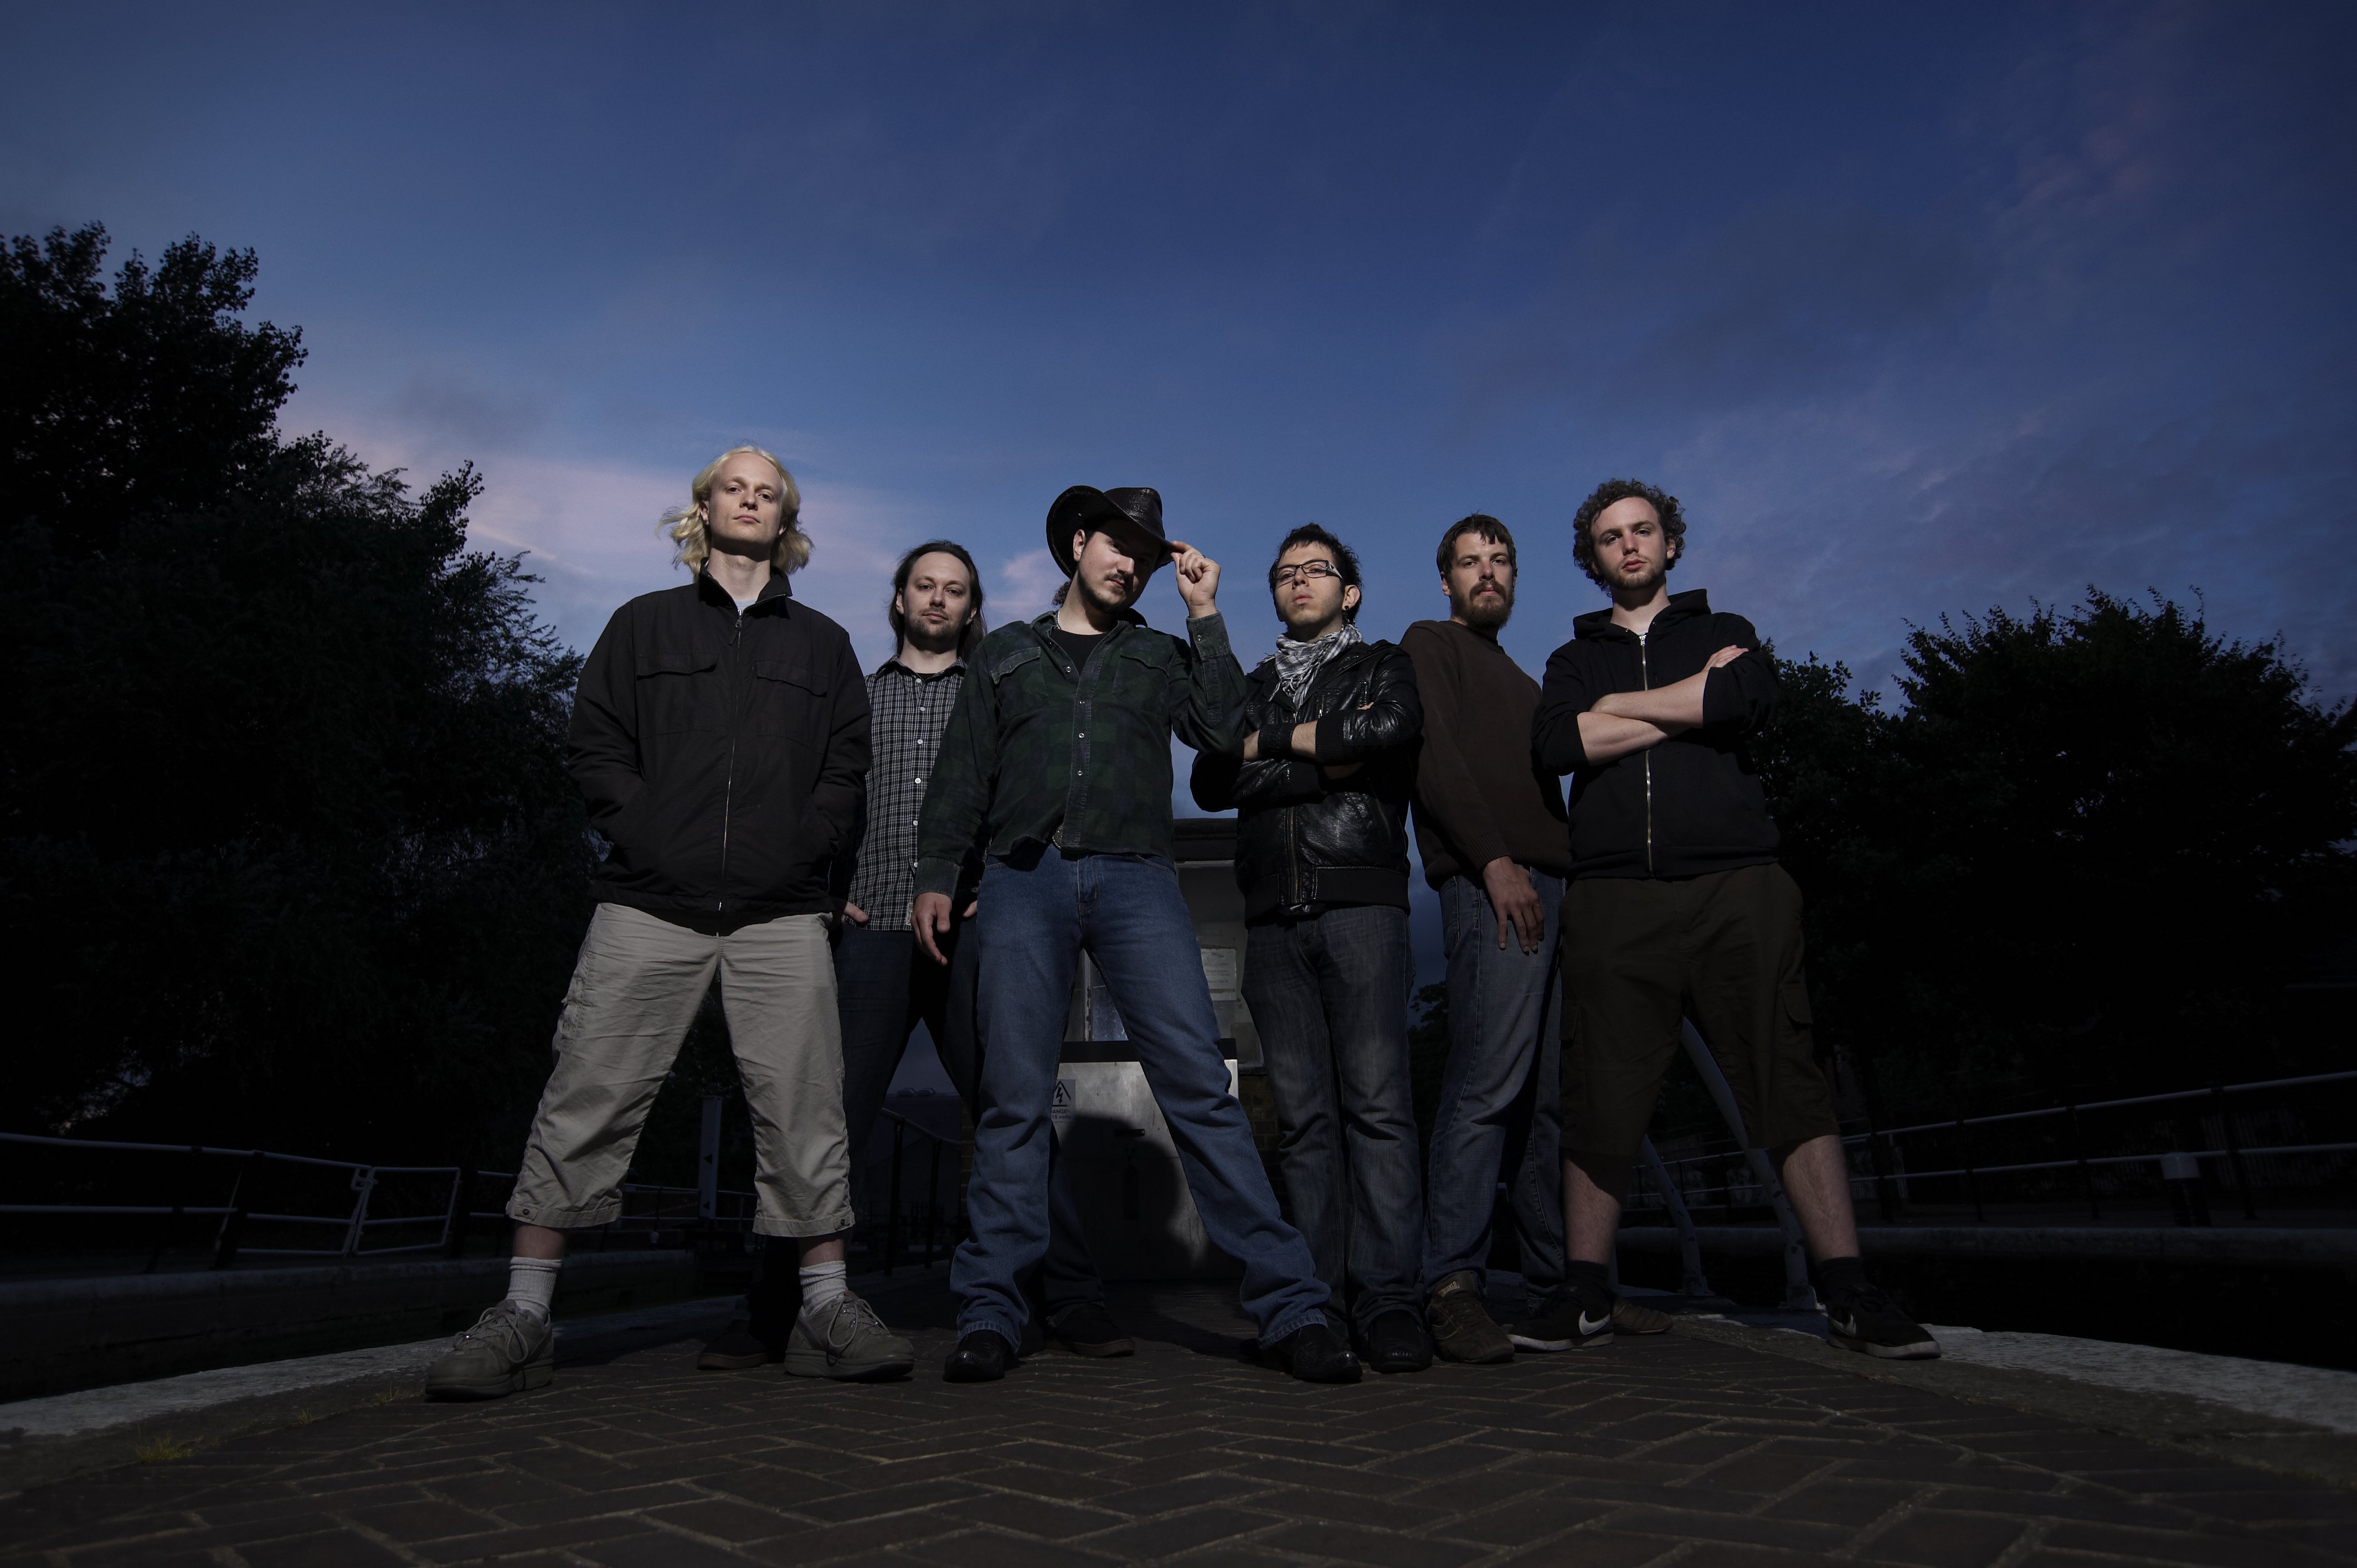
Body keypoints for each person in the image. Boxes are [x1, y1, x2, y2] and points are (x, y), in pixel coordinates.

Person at [427, 446, 914, 1399]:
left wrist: (801, 852)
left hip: (779, 914)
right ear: (705, 508)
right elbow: (595, 746)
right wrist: (651, 835)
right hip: (648, 904)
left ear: (786, 523)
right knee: (587, 1093)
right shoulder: (641, 624)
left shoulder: (822, 644)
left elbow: (846, 770)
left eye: (767, 493)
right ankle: (524, 1314)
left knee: (807, 1108)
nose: (750, 500)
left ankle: (826, 1308)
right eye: (735, 487)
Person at [913, 485, 1358, 1384]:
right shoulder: (1006, 653)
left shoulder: (1159, 653)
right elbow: (963, 774)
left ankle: (1293, 1308)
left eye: (1146, 557)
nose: (1131, 565)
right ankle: (992, 1311)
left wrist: (1205, 613)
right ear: (1079, 544)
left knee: (1199, 1084)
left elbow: (1226, 731)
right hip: (1023, 878)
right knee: (1011, 1098)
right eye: (1118, 546)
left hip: (1137, 880)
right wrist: (936, 873)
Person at [1526, 477, 1938, 1359]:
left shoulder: (1728, 631)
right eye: (1610, 536)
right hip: (1614, 896)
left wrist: (1623, 711)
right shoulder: (1572, 661)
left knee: (1784, 1072)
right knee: (1597, 1091)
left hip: (1738, 885)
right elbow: (1560, 742)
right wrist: (1688, 701)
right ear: (1592, 558)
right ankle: (1585, 1293)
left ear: (1671, 543)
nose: (1629, 545)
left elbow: (1743, 702)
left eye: (1643, 530)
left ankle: (1848, 1290)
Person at [702, 541, 1127, 1369]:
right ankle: (771, 1308)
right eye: (924, 586)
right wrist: (822, 893)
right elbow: (806, 801)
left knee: (1013, 1111)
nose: (937, 599)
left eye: (954, 590)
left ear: (973, 610)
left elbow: (1037, 797)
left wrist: (1002, 883)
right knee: (825, 1123)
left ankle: (1072, 1295)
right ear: (899, 600)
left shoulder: (997, 696)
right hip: (873, 934)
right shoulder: (855, 699)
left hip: (975, 934)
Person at [1190, 525, 1429, 1373]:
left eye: (1317, 570)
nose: (1299, 581)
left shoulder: (1383, 665)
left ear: (1349, 591)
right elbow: (1211, 778)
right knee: (1303, 1124)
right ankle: (1315, 1304)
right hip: (1271, 920)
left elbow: (1389, 731)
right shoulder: (1254, 686)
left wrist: (1267, 750)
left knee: (1379, 1111)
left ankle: (1391, 1302)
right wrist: (1323, 750)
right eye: (1285, 573)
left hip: (1362, 906)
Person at [1400, 515, 1573, 1363]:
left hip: (1557, 887)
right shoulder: (1430, 643)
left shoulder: (1526, 681)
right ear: (1447, 580)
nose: (1488, 573)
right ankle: (1451, 1285)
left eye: (1500, 560)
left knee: (1547, 1102)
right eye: (1470, 562)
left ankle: (1557, 1287)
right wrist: (1494, 862)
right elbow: (1432, 757)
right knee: (1486, 1085)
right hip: (1492, 882)